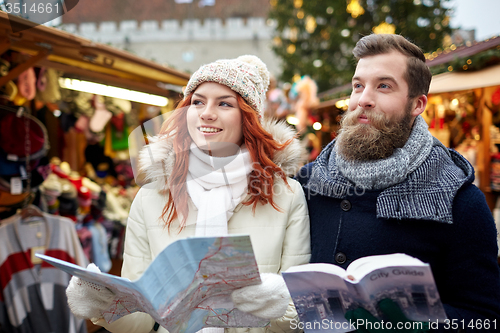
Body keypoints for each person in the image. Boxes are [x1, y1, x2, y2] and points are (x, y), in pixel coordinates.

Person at [65, 55, 311, 333]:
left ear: (248, 118)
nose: (206, 112)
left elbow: (300, 316)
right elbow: (141, 321)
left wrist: (276, 307)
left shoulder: (286, 196)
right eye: (197, 101)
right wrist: (103, 306)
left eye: (224, 103)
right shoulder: (151, 198)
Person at [296, 34, 500, 331]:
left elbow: (486, 318)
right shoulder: (308, 182)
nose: (364, 98)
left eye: (383, 86)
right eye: (358, 85)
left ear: (417, 104)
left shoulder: (459, 200)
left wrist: (417, 324)